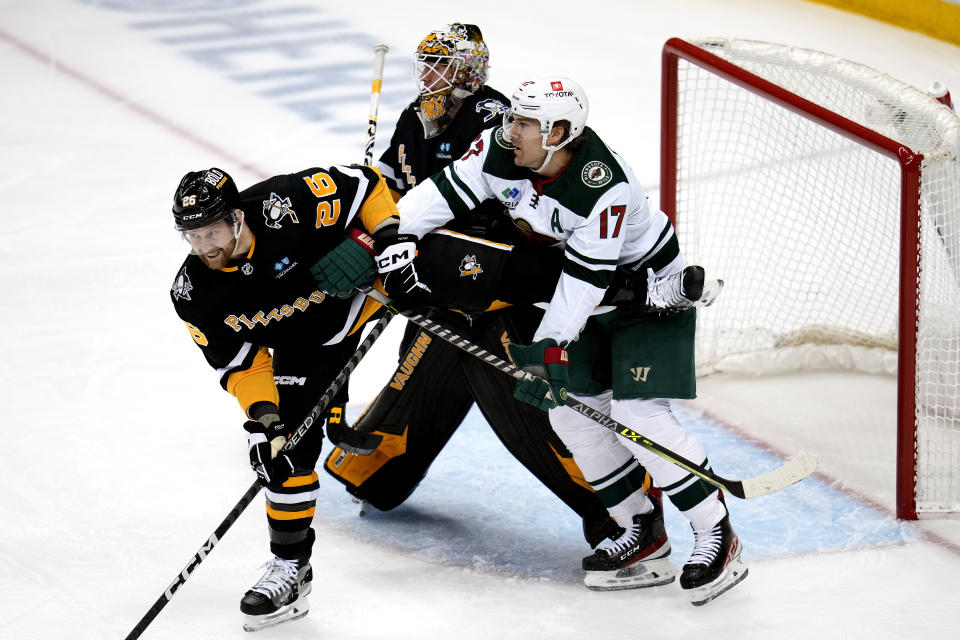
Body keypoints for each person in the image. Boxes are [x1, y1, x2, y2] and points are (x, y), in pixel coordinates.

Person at [373, 75, 747, 605]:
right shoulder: (501, 149)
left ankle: (715, 531)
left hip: (646, 296)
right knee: (569, 411)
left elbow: (585, 283)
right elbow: (439, 195)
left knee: (638, 414)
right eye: (514, 118)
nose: (511, 129)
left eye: (526, 122)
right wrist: (393, 235)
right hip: (579, 296)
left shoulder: (604, 185)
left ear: (560, 132)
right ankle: (641, 530)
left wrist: (545, 349)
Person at [323, 23, 622, 551]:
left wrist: (413, 245)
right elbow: (395, 187)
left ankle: (617, 507)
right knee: (429, 358)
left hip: (505, 286)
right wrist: (377, 220)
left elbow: (499, 217)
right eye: (426, 64)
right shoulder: (416, 116)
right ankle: (379, 469)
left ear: (468, 72)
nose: (429, 75)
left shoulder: (496, 123)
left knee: (516, 393)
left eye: (441, 65)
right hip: (443, 277)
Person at [168, 164, 398, 630]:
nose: (205, 247)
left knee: (463, 268)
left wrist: (382, 243)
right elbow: (243, 365)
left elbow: (370, 186)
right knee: (286, 450)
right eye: (192, 237)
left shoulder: (286, 203)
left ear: (236, 217)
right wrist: (265, 424)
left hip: (375, 289)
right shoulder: (193, 294)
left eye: (212, 231)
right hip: (308, 344)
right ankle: (291, 568)